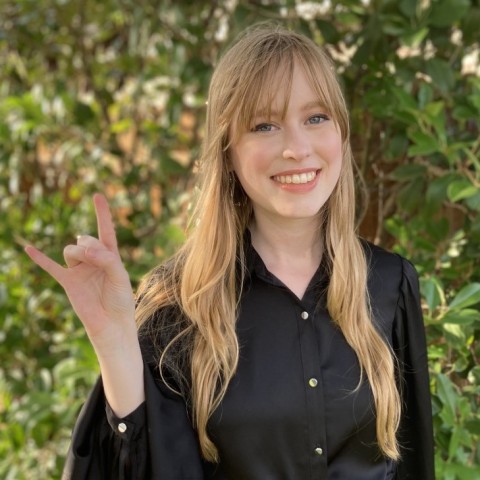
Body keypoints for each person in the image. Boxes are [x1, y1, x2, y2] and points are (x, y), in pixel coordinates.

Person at [25, 23, 435, 480]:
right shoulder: (178, 304)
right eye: (264, 125)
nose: (297, 148)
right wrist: (114, 343)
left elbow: (414, 465)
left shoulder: (390, 283)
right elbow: (140, 465)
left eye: (316, 117)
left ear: (341, 132)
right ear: (228, 151)